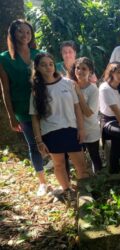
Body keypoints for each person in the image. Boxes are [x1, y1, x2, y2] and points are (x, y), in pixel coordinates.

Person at [29, 52, 89, 201]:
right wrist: (39, 141)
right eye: (43, 65)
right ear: (37, 68)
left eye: (50, 63)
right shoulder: (37, 91)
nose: (48, 67)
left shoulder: (68, 83)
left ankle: (86, 193)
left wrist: (81, 129)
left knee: (81, 166)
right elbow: (35, 119)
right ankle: (67, 190)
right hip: (51, 133)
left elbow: (77, 108)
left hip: (71, 130)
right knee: (59, 164)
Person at [0, 19, 49, 196]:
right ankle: (42, 182)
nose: (25, 35)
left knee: (51, 139)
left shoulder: (39, 54)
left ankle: (59, 171)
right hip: (22, 107)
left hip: (44, 105)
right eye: (20, 32)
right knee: (34, 144)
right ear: (13, 34)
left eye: (28, 32)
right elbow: (5, 89)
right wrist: (11, 116)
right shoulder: (4, 59)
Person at [68, 57, 102, 174]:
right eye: (78, 68)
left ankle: (99, 180)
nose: (80, 71)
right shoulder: (69, 86)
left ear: (90, 72)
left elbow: (88, 113)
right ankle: (84, 179)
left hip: (90, 129)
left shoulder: (93, 90)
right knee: (78, 158)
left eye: (84, 69)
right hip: (73, 129)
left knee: (94, 157)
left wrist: (78, 92)